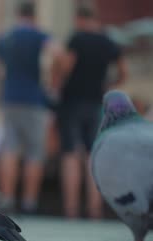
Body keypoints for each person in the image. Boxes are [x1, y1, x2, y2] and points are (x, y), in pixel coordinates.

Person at [56, 6, 128, 219]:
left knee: (70, 153)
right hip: (97, 101)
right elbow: (124, 71)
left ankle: (71, 208)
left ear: (78, 19)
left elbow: (67, 66)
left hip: (72, 100)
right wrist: (108, 85)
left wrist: (57, 83)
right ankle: (94, 208)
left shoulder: (77, 38)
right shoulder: (109, 42)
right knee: (92, 154)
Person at [0, 1, 59, 214]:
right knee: (34, 152)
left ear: (17, 15)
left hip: (9, 98)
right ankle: (30, 203)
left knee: (9, 149)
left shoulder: (5, 38)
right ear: (34, 16)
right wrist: (54, 82)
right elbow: (58, 54)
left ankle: (8, 199)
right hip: (33, 99)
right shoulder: (40, 35)